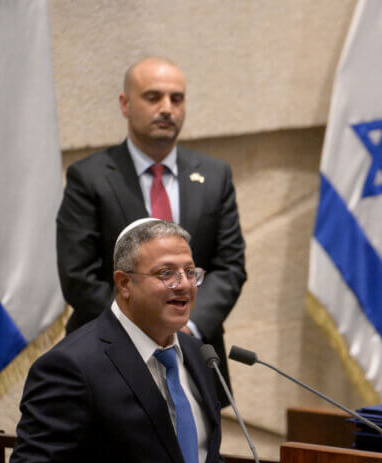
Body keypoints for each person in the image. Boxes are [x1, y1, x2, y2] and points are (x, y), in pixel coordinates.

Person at [7, 220, 256, 463]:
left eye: (190, 273)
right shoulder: (71, 366)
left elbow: (182, 454)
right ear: (125, 284)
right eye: (167, 274)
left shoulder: (198, 353)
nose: (185, 285)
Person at [56, 56, 245, 390]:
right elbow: (78, 276)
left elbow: (229, 267)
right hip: (109, 353)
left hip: (195, 354)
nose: (167, 108)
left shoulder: (215, 175)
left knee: (197, 442)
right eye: (153, 97)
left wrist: (186, 326)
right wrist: (143, 329)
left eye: (177, 98)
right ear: (125, 104)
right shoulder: (90, 177)